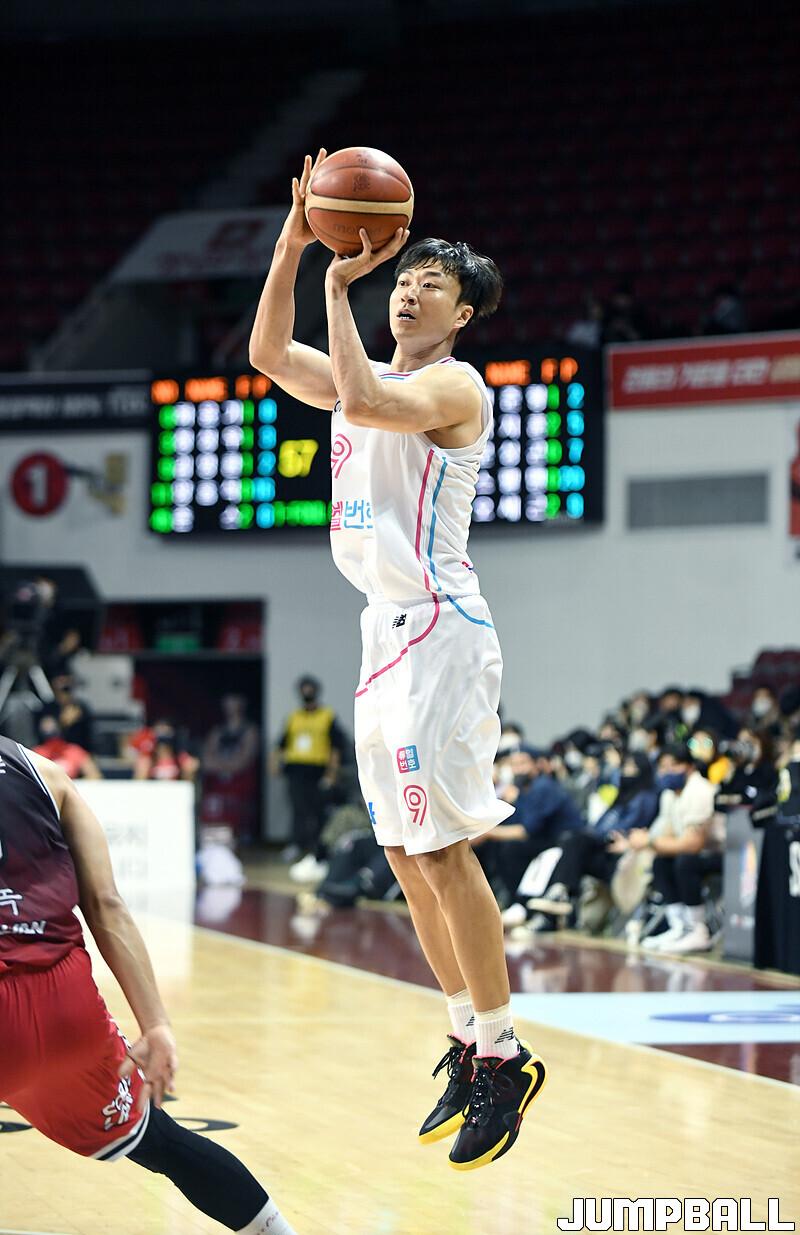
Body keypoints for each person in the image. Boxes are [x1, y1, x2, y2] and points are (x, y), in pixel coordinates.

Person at [249, 150, 546, 1171]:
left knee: (446, 848)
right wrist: (294, 244)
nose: (411, 289)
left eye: (432, 284)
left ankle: (505, 1054)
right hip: (384, 630)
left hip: (441, 627)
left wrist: (339, 290)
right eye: (407, 276)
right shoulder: (359, 374)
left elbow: (369, 403)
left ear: (462, 315)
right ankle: (465, 1033)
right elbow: (266, 352)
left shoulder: (453, 383)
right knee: (402, 853)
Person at [0, 735, 297, 1235]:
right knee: (161, 1142)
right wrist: (155, 1023)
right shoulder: (44, 772)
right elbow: (107, 906)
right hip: (66, 1005)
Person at [526, 751, 659, 924]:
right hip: (602, 847)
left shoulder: (645, 798)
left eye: (632, 768)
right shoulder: (622, 796)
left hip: (622, 854)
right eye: (625, 767)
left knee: (575, 841)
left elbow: (631, 827)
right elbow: (599, 825)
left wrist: (624, 841)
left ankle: (558, 897)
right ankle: (553, 904)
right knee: (569, 846)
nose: (626, 772)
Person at [612, 743, 720, 954]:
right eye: (664, 766)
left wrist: (649, 842)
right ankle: (679, 926)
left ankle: (698, 930)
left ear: (689, 766)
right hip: (692, 851)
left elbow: (693, 844)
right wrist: (642, 841)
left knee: (685, 861)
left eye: (675, 765)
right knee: (661, 860)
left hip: (720, 853)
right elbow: (667, 833)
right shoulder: (669, 795)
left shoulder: (700, 790)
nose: (668, 771)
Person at [477, 746, 582, 906]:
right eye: (514, 764)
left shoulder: (543, 787)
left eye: (523, 763)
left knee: (509, 848)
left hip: (561, 842)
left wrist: (487, 833)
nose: (518, 769)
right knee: (494, 846)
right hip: (541, 839)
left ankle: (521, 903)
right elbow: (514, 823)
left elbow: (526, 831)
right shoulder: (522, 789)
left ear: (536, 764)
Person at [274, 675, 347, 880]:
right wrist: (275, 764)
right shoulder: (294, 717)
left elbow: (336, 746)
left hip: (317, 769)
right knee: (298, 808)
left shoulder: (327, 715)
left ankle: (318, 849)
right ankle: (296, 844)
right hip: (296, 769)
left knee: (318, 812)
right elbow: (281, 744)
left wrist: (332, 772)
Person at [201, 694, 260, 842]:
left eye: (234, 701)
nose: (230, 706)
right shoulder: (218, 731)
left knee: (239, 808)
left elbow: (244, 760)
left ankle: (241, 836)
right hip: (219, 782)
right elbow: (206, 759)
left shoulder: (249, 730)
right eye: (227, 702)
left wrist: (226, 766)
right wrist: (223, 766)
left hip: (240, 782)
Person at [34, 714, 103, 780]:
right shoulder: (37, 753)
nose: (54, 741)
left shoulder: (74, 751)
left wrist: (74, 784)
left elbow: (95, 775)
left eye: (55, 733)